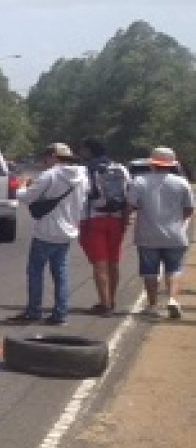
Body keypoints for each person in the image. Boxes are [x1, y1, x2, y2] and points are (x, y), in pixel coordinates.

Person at [10, 143, 89, 325]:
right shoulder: (83, 176)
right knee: (61, 273)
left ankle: (34, 310)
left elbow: (28, 197)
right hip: (68, 230)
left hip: (47, 230)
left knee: (35, 272)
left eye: (46, 156)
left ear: (54, 156)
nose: (44, 160)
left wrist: (21, 187)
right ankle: (60, 314)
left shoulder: (50, 175)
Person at [126, 147, 193, 319]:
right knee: (174, 269)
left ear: (152, 164)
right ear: (171, 165)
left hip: (147, 233)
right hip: (175, 233)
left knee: (149, 271)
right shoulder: (181, 183)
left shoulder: (139, 181)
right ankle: (172, 299)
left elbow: (130, 206)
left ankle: (153, 305)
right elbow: (189, 209)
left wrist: (128, 218)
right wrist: (178, 220)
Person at [78, 137, 131, 315]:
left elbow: (84, 197)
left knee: (100, 264)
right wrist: (125, 219)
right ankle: (112, 299)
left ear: (90, 151)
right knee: (113, 261)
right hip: (116, 219)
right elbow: (127, 195)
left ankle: (104, 303)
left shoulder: (87, 169)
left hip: (95, 218)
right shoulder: (121, 168)